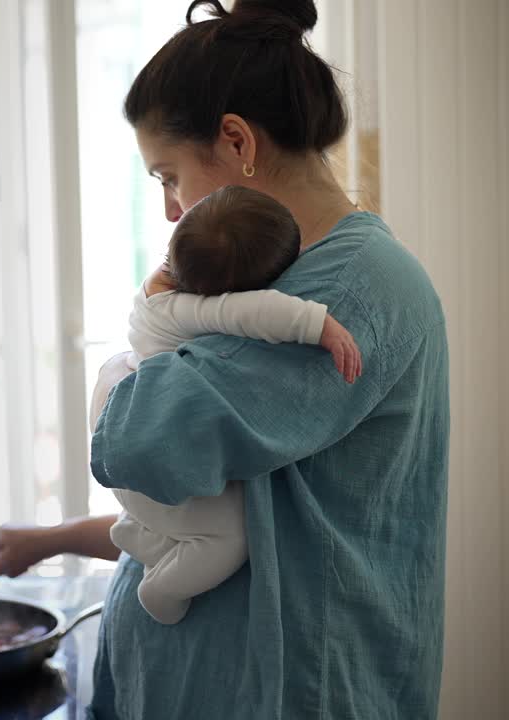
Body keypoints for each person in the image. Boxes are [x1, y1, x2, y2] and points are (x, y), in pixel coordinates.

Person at [0, 0, 449, 717]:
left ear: (235, 141)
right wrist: (49, 539)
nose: (170, 211)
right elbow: (220, 511)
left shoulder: (350, 288)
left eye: (167, 176)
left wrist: (147, 332)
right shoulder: (276, 284)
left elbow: (142, 446)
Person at [113, 184, 362, 625]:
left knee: (188, 519)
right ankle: (161, 589)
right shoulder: (184, 310)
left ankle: (138, 531)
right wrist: (318, 323)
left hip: (128, 436)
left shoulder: (160, 283)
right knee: (230, 537)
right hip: (138, 455)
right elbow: (252, 312)